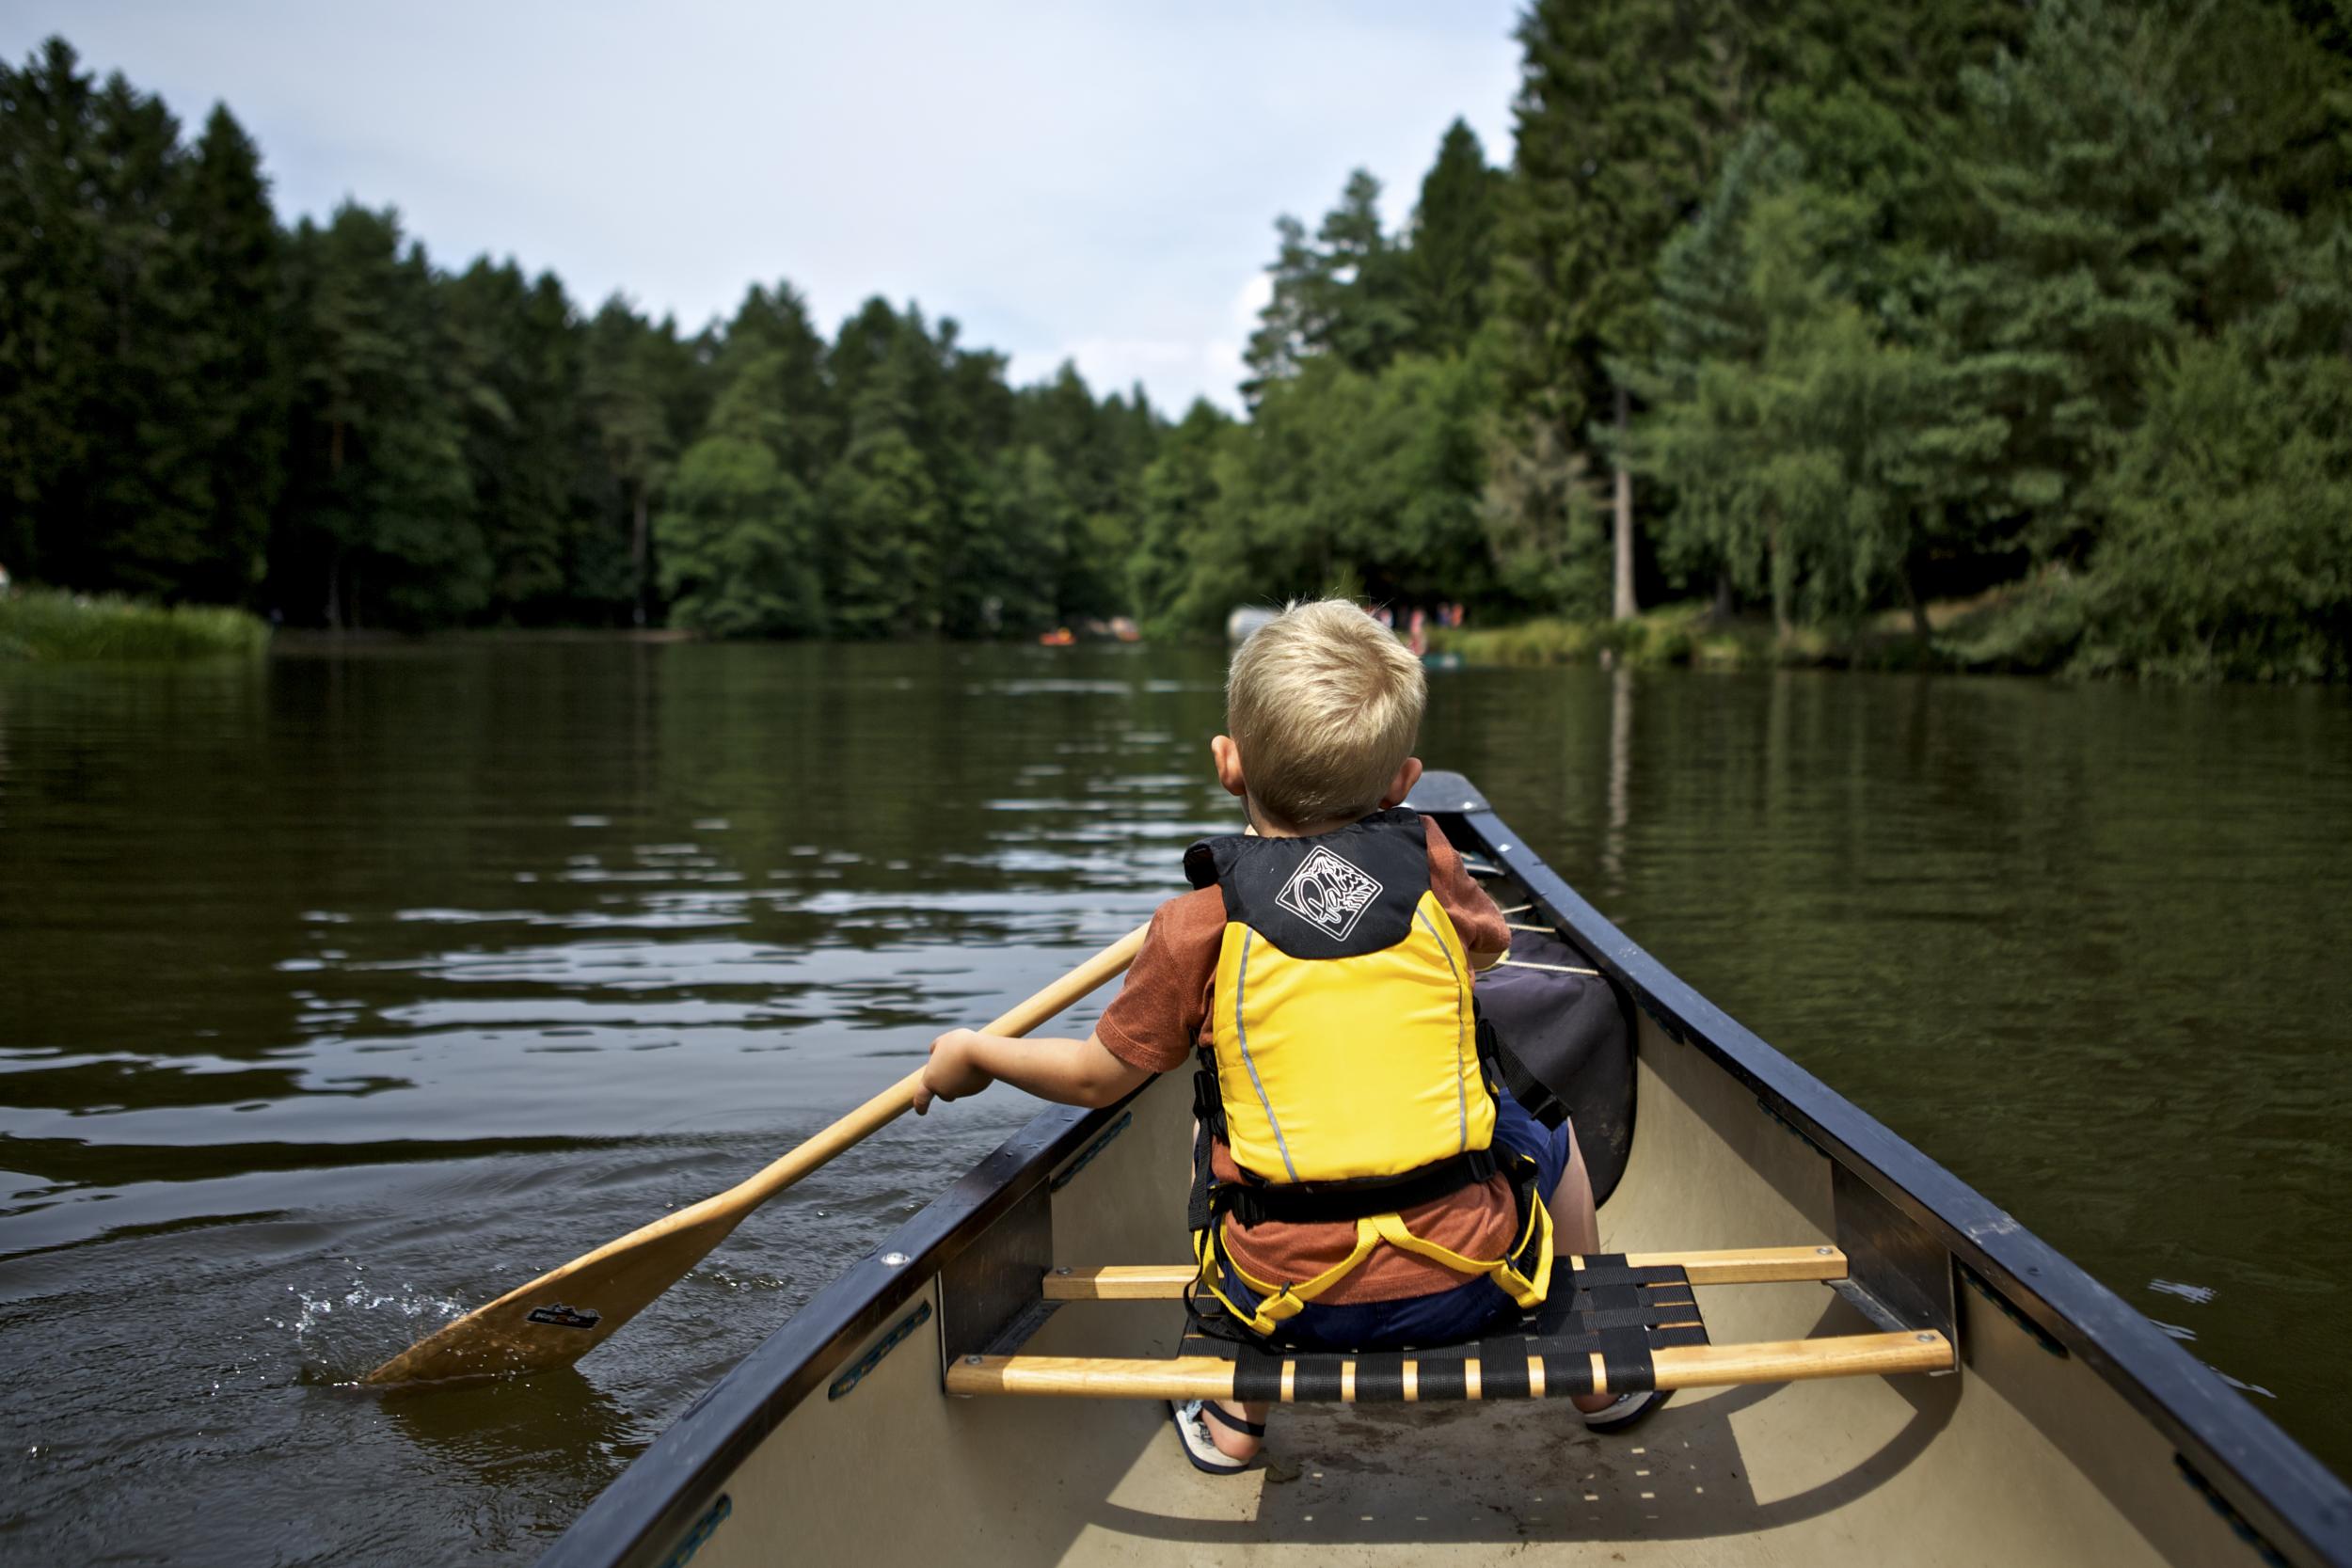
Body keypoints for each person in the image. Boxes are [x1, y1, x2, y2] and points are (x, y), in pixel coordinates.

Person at [914, 598, 1653, 1474]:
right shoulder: (1426, 861)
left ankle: (1235, 1419)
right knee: (1550, 1133)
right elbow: (1488, 945)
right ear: (1401, 783)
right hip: (1475, 1278)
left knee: (1214, 1121)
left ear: (1228, 765)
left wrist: (972, 1053)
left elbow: (1090, 1078)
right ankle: (1597, 1380)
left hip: (1288, 1299)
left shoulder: (1196, 924)